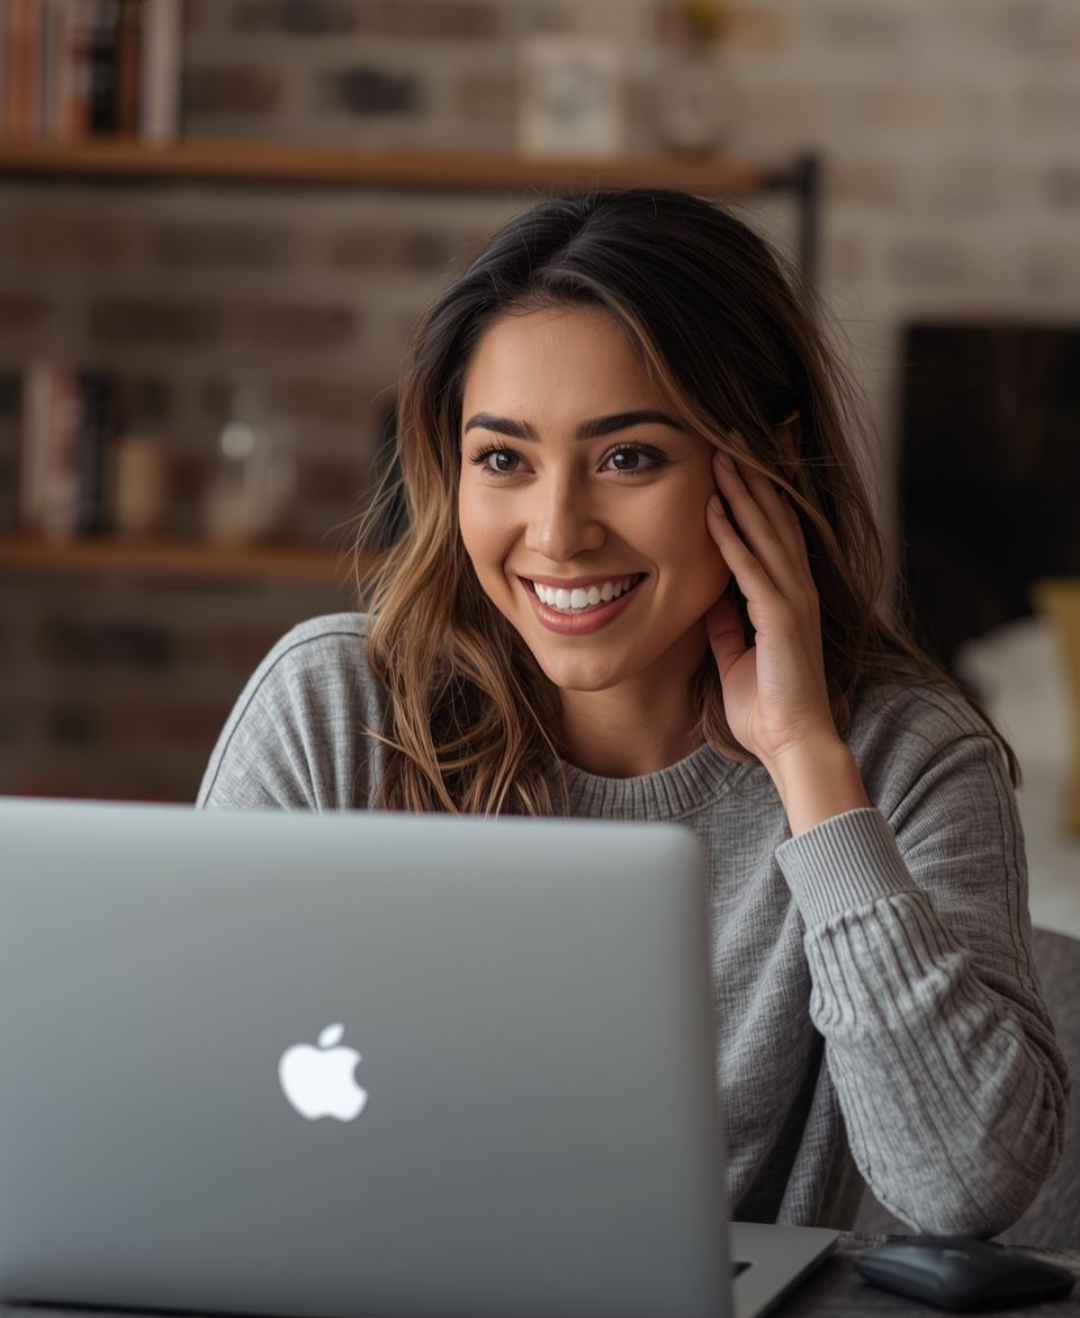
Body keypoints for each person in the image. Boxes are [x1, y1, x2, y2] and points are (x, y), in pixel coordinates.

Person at [198, 188, 1069, 1238]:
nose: (557, 533)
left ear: (764, 465)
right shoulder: (332, 708)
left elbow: (964, 1189)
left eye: (628, 457)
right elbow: (175, 1110)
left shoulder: (907, 757)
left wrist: (804, 760)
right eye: (504, 460)